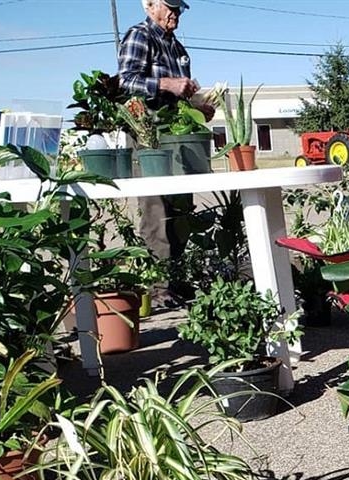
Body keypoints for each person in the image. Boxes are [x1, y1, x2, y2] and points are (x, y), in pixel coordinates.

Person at [118, 0, 214, 306]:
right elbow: (124, 82)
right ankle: (158, 287)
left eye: (179, 8)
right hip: (149, 135)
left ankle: (178, 278)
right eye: (170, 6)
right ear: (149, 5)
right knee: (156, 209)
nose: (175, 13)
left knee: (181, 207)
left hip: (177, 133)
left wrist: (198, 106)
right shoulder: (140, 35)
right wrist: (166, 84)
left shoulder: (177, 47)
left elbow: (180, 95)